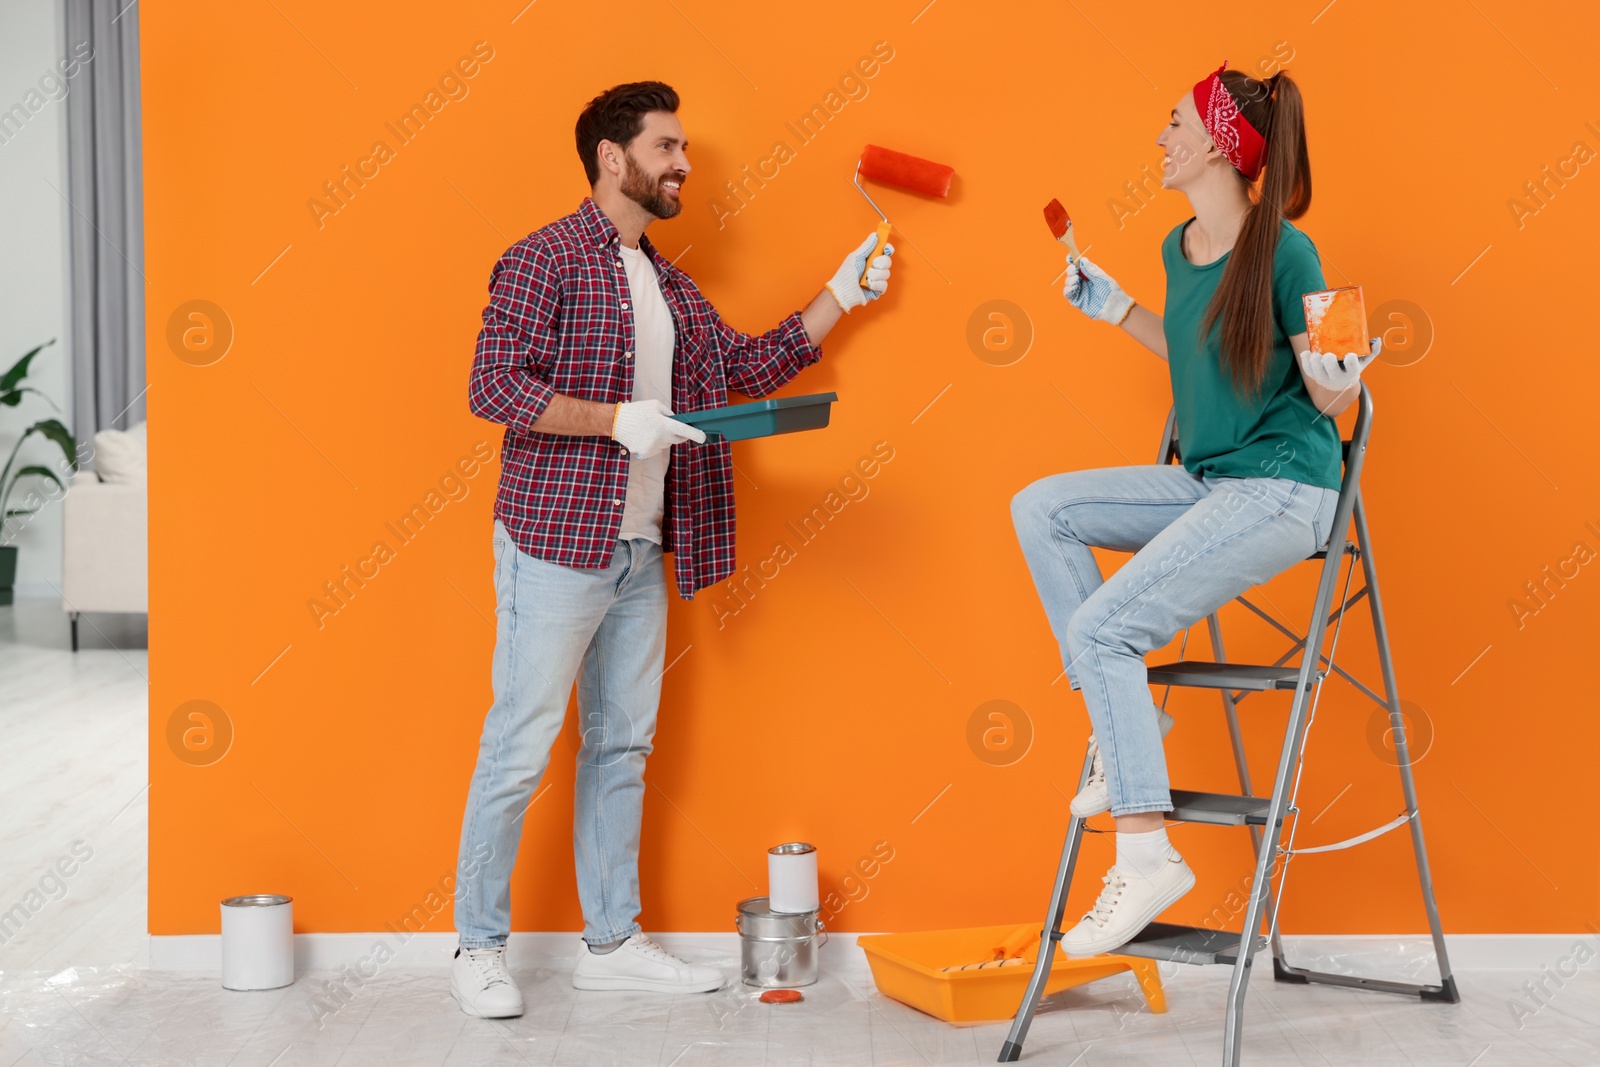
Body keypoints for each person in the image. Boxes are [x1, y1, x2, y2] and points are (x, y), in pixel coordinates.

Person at [450, 80, 895, 1017]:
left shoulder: (668, 284)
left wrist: (839, 296)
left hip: (640, 552)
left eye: (682, 148)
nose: (683, 164)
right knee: (520, 746)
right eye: (667, 147)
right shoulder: (544, 261)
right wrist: (618, 420)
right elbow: (493, 386)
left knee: (620, 749)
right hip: (555, 543)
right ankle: (477, 947)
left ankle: (609, 940)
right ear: (613, 158)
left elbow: (743, 370)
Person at [1010, 60, 1376, 956]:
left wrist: (1345, 358)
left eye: (1173, 122)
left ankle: (1146, 854)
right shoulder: (1182, 248)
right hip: (1211, 480)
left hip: (1287, 488)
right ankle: (1128, 724)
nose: (1162, 138)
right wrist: (1117, 308)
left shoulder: (1288, 251)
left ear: (1218, 142)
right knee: (1040, 506)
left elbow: (1336, 396)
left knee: (1102, 632)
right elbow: (1195, 360)